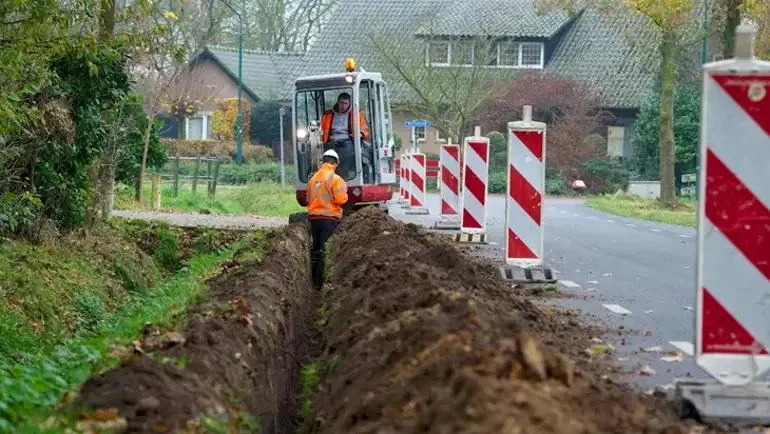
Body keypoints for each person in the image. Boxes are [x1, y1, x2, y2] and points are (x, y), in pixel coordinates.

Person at [307, 149, 349, 289]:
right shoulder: (336, 179)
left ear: (323, 161)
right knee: (326, 250)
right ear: (336, 163)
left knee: (316, 248)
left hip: (314, 219)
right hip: (329, 219)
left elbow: (308, 199)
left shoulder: (313, 180)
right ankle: (322, 282)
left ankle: (314, 282)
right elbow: (341, 200)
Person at [320, 92, 372, 181]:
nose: (343, 105)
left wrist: (360, 133)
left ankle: (342, 178)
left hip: (347, 140)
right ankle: (328, 179)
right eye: (341, 103)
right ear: (337, 102)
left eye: (345, 103)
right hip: (331, 141)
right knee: (328, 159)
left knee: (345, 157)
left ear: (349, 104)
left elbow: (364, 129)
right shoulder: (328, 115)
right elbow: (321, 129)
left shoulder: (355, 115)